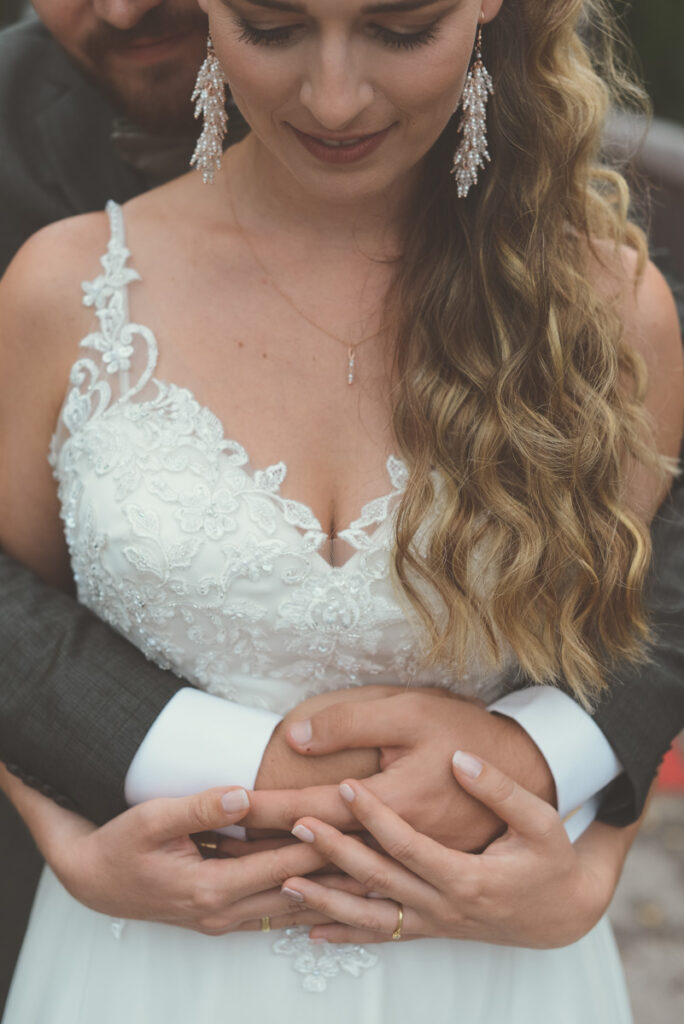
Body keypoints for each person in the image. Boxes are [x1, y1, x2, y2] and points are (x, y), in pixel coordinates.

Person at [0, 0, 682, 1018]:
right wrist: (69, 840)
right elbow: (15, 615)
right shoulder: (63, 290)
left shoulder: (608, 310)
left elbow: (630, 639)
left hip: (487, 969)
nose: (332, 97)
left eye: (401, 31)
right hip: (140, 961)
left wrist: (595, 861)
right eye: (271, 29)